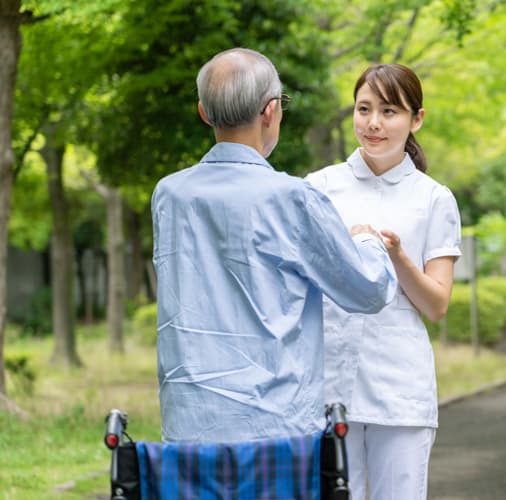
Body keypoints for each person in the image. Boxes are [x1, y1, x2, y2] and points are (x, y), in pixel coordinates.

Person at [151, 48, 398, 444]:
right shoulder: (292, 198)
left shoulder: (169, 195)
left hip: (188, 428)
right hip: (275, 430)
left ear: (203, 112)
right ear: (270, 111)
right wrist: (366, 240)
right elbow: (367, 290)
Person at [305, 63, 462, 500]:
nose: (373, 123)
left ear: (417, 119)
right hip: (327, 385)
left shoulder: (434, 198)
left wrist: (396, 257)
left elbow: (436, 305)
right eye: (363, 109)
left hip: (400, 389)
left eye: (389, 111)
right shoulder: (317, 188)